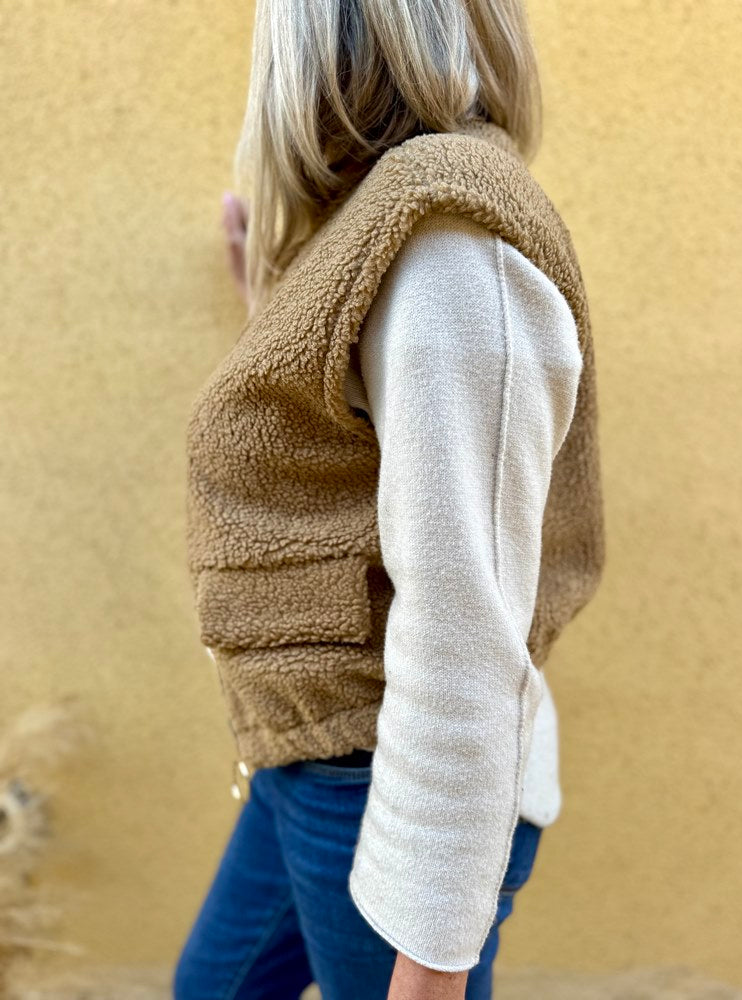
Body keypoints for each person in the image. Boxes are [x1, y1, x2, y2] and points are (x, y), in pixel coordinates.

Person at [174, 2, 605, 998]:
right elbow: (345, 439)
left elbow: (465, 625)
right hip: (312, 751)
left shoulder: (451, 247)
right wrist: (269, 305)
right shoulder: (382, 220)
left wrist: (432, 959)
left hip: (383, 785)